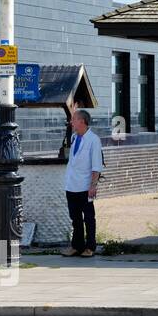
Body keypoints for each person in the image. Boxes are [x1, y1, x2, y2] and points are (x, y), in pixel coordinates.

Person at [61, 108, 104, 258]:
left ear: (82, 121)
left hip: (85, 186)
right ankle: (76, 246)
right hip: (71, 185)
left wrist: (93, 186)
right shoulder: (73, 137)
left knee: (88, 217)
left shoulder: (93, 140)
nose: (71, 122)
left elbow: (96, 165)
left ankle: (90, 247)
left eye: (74, 119)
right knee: (75, 218)